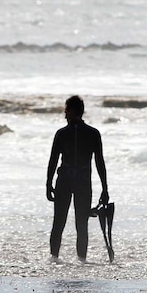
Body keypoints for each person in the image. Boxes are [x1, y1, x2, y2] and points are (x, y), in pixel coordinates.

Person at [46, 95, 109, 262]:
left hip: (64, 180)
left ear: (72, 111)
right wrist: (104, 188)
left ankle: (53, 259)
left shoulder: (61, 134)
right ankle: (82, 261)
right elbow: (99, 163)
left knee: (58, 222)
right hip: (83, 181)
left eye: (66, 110)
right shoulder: (93, 133)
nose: (64, 114)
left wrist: (48, 184)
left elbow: (53, 161)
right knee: (82, 224)